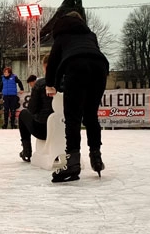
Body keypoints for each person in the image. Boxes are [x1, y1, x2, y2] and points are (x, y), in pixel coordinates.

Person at [45, 11, 109, 182]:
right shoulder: (90, 35)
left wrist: (51, 84)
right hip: (100, 67)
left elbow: (53, 62)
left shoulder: (62, 36)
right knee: (91, 115)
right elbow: (91, 53)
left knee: (72, 117)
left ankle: (72, 161)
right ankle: (96, 157)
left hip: (76, 67)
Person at [18, 55, 53, 162]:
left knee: (23, 114)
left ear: (45, 67)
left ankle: (26, 150)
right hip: (64, 130)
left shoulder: (40, 84)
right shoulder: (68, 82)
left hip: (43, 130)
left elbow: (32, 109)